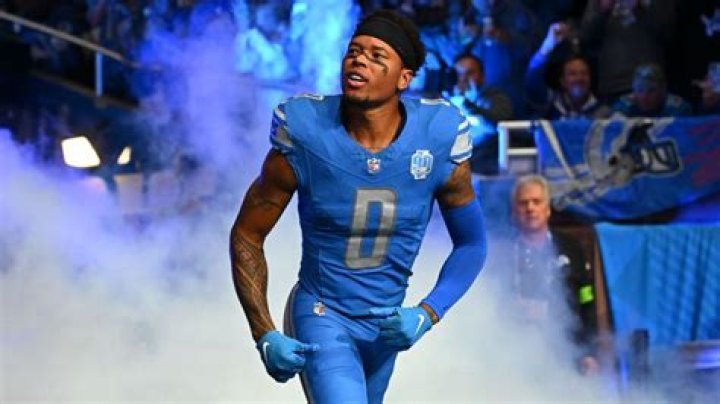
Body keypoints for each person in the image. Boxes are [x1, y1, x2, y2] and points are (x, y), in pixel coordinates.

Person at [230, 9, 487, 404]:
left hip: (384, 329)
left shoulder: (437, 136)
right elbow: (248, 232)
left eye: (376, 55)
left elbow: (472, 244)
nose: (359, 60)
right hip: (322, 313)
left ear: (404, 78)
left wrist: (428, 312)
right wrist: (263, 332)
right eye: (354, 51)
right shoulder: (307, 130)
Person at [499, 175, 599, 375]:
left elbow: (587, 301)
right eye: (523, 203)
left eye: (536, 202)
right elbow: (491, 307)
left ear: (548, 209)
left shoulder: (572, 248)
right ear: (514, 212)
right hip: (517, 355)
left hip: (568, 352)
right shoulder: (501, 255)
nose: (530, 208)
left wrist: (588, 352)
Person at [525, 23, 611, 120]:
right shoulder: (552, 104)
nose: (579, 78)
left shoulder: (603, 112)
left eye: (584, 73)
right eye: (572, 74)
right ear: (563, 81)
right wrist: (547, 46)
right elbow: (532, 78)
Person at [612, 63, 692, 118]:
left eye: (651, 90)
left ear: (663, 89)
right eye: (640, 90)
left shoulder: (678, 108)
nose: (644, 96)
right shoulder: (623, 106)